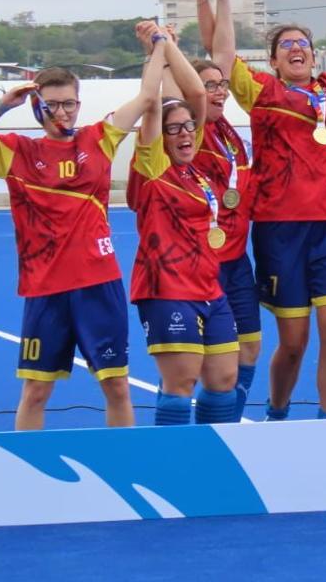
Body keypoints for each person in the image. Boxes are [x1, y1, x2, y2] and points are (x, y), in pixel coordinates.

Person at [206, 0, 326, 419]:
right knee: (293, 341)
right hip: (280, 230)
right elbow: (222, 54)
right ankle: (278, 411)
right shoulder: (261, 91)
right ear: (273, 61)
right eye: (286, 45)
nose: (296, 49)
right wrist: (221, 0)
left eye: (303, 44)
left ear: (314, 55)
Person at [0, 24, 162, 429]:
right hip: (45, 288)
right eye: (52, 104)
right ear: (37, 105)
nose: (62, 111)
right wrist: (2, 106)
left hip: (97, 283)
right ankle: (29, 471)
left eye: (69, 103)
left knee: (117, 386)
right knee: (35, 392)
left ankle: (123, 466)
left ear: (78, 103)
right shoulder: (18, 151)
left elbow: (145, 97)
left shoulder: (97, 139)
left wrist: (156, 48)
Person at [148, 0, 260, 421]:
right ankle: (181, 448)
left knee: (244, 354)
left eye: (222, 85)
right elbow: (200, 72)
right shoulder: (193, 130)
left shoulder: (233, 134)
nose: (218, 90)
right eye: (209, 86)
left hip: (236, 261)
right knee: (187, 370)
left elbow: (224, 58)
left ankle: (230, 431)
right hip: (195, 268)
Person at [127, 22, 239, 424]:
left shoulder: (201, 172)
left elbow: (195, 95)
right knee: (181, 382)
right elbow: (153, 104)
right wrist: (156, 52)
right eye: (174, 130)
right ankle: (171, 469)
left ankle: (216, 461)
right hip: (166, 288)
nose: (185, 134)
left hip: (208, 286)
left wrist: (168, 44)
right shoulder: (154, 168)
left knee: (225, 377)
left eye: (190, 126)